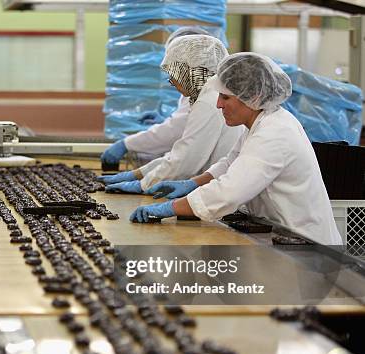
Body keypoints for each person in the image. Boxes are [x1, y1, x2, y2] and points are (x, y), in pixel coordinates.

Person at [130, 52, 342, 246]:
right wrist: (191, 183)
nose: (218, 105)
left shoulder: (275, 133)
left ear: (254, 96)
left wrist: (169, 208)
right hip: (284, 236)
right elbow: (230, 163)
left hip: (309, 246)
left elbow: (229, 192)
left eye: (226, 97)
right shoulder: (260, 123)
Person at [102, 35, 244, 194]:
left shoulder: (209, 101)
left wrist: (143, 184)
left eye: (175, 72)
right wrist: (138, 174)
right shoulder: (205, 96)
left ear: (191, 71)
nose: (171, 80)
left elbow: (186, 159)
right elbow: (181, 153)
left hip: (219, 192)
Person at [100, 26, 212, 167]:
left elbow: (174, 132)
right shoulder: (197, 87)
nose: (172, 78)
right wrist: (167, 120)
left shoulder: (206, 92)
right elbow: (184, 124)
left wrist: (127, 144)